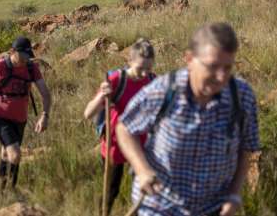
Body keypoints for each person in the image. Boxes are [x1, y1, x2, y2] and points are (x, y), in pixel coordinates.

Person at [116, 22, 261, 216]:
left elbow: (247, 146)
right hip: (160, 205)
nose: (220, 77)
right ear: (190, 59)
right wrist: (142, 170)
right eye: (212, 66)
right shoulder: (164, 91)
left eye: (227, 67)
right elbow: (124, 128)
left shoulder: (241, 96)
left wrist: (234, 195)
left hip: (211, 208)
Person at [83, 38, 156, 214]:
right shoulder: (116, 80)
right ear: (129, 61)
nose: (143, 74)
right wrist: (102, 97)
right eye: (140, 68)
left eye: (148, 68)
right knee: (111, 191)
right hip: (114, 144)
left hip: (141, 144)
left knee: (142, 192)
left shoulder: (153, 80)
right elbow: (88, 113)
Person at [0, 37, 52, 190]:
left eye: (28, 55)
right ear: (12, 52)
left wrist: (45, 115)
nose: (26, 59)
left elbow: (45, 93)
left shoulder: (31, 68)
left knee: (7, 153)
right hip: (0, 116)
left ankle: (1, 189)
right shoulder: (0, 67)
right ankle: (12, 189)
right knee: (16, 154)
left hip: (20, 119)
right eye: (23, 55)